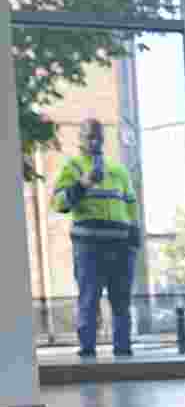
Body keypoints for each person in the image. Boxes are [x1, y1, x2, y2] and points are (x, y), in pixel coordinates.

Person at [51, 118, 141, 358]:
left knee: (121, 301)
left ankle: (123, 350)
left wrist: (134, 242)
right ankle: (87, 351)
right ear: (79, 138)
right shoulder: (73, 167)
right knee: (89, 299)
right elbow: (59, 203)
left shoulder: (119, 170)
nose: (95, 141)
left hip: (121, 247)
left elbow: (132, 207)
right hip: (89, 248)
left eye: (99, 137)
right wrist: (83, 183)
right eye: (89, 136)